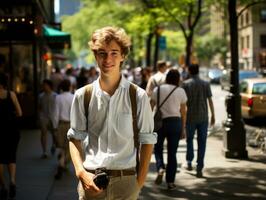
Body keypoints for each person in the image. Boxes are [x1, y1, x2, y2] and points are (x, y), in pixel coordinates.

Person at [67, 26, 157, 200]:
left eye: (114, 53)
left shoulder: (138, 96)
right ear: (95, 56)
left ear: (123, 55)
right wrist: (80, 172)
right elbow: (74, 138)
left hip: (126, 183)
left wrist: (138, 183)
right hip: (91, 182)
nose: (108, 59)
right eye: (102, 53)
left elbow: (147, 141)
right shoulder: (82, 95)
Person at [151, 68, 187, 190]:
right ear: (178, 79)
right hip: (175, 123)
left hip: (160, 123)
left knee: (158, 148)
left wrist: (148, 123)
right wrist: (183, 129)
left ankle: (160, 167)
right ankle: (170, 182)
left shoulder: (158, 89)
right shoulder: (180, 91)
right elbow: (183, 112)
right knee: (172, 153)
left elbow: (150, 107)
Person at [182, 64, 215, 178]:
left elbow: (183, 104)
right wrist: (213, 115)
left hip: (190, 117)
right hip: (203, 117)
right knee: (202, 142)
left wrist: (182, 118)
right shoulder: (205, 84)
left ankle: (189, 162)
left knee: (189, 140)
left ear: (190, 71)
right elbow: (210, 100)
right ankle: (199, 166)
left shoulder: (185, 84)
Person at [0, 73, 22, 200]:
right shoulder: (11, 94)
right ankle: (12, 181)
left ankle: (3, 186)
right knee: (11, 157)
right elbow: (20, 112)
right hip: (12, 131)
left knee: (1, 159)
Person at [53, 79, 74, 179]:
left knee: (61, 147)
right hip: (71, 124)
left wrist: (54, 126)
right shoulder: (73, 97)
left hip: (60, 124)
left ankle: (61, 164)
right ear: (70, 86)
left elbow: (55, 113)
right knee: (69, 148)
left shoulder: (58, 97)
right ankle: (63, 163)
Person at [38, 79, 57, 158]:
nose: (43, 87)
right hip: (44, 117)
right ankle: (44, 151)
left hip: (53, 117)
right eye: (43, 85)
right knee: (43, 133)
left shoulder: (55, 95)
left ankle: (53, 145)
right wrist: (39, 117)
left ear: (49, 86)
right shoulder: (41, 96)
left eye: (45, 85)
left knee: (54, 134)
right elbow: (39, 107)